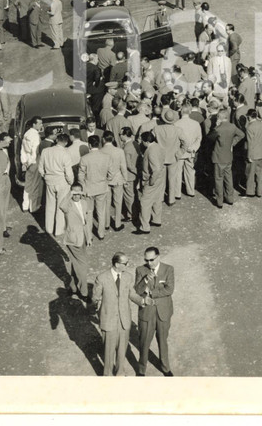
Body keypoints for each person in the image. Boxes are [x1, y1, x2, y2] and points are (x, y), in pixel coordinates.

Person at [93, 252, 144, 376]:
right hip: (108, 321)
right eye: (125, 263)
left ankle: (120, 373)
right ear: (117, 264)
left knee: (122, 351)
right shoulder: (102, 278)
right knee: (108, 352)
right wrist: (97, 304)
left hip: (124, 321)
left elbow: (131, 294)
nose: (128, 264)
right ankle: (108, 375)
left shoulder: (128, 277)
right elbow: (95, 297)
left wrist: (142, 301)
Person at [134, 247, 175, 377]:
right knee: (144, 341)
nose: (149, 263)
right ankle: (141, 370)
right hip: (147, 313)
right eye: (147, 260)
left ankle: (165, 368)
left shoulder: (168, 269)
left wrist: (151, 292)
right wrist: (145, 280)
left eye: (152, 260)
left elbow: (169, 290)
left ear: (158, 257)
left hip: (163, 311)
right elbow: (137, 291)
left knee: (163, 340)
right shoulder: (140, 270)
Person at [207, 108, 245, 208]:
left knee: (218, 179)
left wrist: (215, 126)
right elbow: (242, 134)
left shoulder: (218, 129)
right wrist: (233, 142)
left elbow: (209, 138)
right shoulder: (232, 126)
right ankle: (230, 198)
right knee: (228, 178)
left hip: (218, 158)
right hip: (228, 157)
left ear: (220, 117)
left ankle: (219, 201)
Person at [59, 185, 92, 300]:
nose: (76, 196)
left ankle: (73, 287)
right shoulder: (68, 204)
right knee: (83, 265)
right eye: (74, 194)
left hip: (82, 236)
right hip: (73, 239)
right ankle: (84, 292)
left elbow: (86, 221)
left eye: (79, 193)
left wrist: (89, 237)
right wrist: (69, 194)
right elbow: (61, 206)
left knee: (76, 263)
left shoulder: (84, 203)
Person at [38, 133, 74, 237]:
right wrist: (70, 182)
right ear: (66, 143)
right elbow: (69, 173)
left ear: (56, 140)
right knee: (60, 206)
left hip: (49, 181)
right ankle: (59, 230)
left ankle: (49, 228)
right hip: (62, 182)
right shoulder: (65, 153)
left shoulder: (46, 151)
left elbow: (40, 168)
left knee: (50, 205)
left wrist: (45, 176)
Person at [78, 135, 109, 239]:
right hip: (102, 187)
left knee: (89, 212)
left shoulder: (84, 158)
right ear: (99, 144)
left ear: (89, 145)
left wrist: (83, 186)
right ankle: (101, 233)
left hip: (88, 189)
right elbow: (110, 173)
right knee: (101, 211)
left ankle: (88, 235)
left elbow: (80, 176)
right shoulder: (106, 157)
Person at [154, 107, 186, 207]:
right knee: (172, 179)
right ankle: (171, 199)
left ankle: (161, 197)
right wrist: (180, 152)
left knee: (161, 180)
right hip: (173, 157)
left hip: (161, 157)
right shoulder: (178, 130)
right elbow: (186, 142)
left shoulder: (156, 129)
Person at [136, 131, 165, 234]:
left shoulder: (150, 150)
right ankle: (156, 220)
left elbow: (156, 168)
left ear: (146, 141)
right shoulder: (157, 146)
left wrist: (151, 181)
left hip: (153, 178)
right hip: (161, 177)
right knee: (157, 199)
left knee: (145, 202)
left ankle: (145, 227)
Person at [100, 130, 128, 232]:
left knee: (106, 202)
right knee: (118, 202)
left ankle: (106, 224)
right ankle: (117, 224)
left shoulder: (100, 151)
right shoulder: (119, 151)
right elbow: (123, 167)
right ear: (113, 139)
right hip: (117, 179)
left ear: (103, 139)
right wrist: (125, 179)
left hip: (105, 180)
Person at [174, 103, 202, 198]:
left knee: (177, 173)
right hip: (191, 152)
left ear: (181, 111)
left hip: (180, 152)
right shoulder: (196, 124)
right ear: (190, 111)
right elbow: (199, 138)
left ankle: (177, 193)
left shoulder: (176, 124)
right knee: (190, 171)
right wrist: (194, 148)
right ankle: (191, 191)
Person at [20, 116, 44, 213]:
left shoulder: (26, 134)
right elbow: (34, 152)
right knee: (35, 185)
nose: (41, 125)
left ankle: (25, 205)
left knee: (28, 185)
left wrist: (24, 162)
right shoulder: (35, 136)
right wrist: (30, 162)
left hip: (26, 162)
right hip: (34, 162)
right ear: (34, 124)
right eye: (39, 123)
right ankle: (33, 207)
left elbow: (23, 150)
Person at [244, 108, 262, 197]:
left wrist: (249, 155)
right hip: (261, 153)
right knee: (259, 173)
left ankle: (250, 191)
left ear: (250, 117)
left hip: (253, 154)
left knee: (250, 174)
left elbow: (250, 143)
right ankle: (259, 191)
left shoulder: (249, 127)